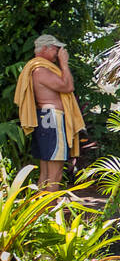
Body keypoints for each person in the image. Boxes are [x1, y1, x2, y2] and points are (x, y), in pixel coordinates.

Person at [14, 33, 85, 192]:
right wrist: (64, 64)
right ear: (46, 48)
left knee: (46, 174)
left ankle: (41, 214)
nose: (58, 53)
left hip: (46, 119)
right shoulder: (41, 70)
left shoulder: (37, 68)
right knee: (55, 175)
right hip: (53, 120)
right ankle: (50, 215)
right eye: (56, 49)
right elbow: (67, 86)